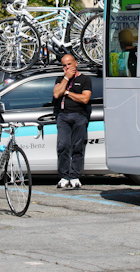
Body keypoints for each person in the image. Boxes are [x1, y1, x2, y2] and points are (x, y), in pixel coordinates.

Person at [52, 54, 92, 189]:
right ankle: (64, 176)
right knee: (63, 146)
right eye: (64, 65)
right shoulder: (60, 79)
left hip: (79, 115)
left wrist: (68, 93)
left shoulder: (85, 79)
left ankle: (75, 176)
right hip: (63, 116)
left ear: (75, 63)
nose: (67, 67)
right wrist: (66, 78)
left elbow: (84, 99)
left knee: (77, 146)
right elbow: (57, 94)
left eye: (69, 64)